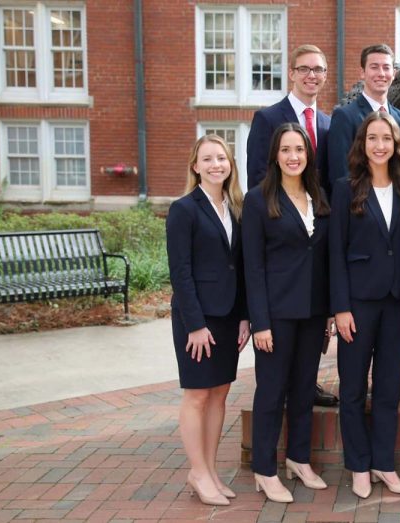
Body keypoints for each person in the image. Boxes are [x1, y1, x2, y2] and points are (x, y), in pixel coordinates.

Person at [329, 111, 400, 499]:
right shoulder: (346, 188)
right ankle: (359, 466)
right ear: (362, 145)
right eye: (372, 139)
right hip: (358, 304)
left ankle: (384, 464)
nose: (379, 145)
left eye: (386, 138)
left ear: (396, 144)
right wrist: (340, 308)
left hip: (396, 304)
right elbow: (335, 252)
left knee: (387, 389)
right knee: (352, 389)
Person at [245, 44, 338, 408]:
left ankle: (308, 383)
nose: (311, 75)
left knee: (305, 354)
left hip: (314, 235)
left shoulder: (330, 123)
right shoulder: (268, 118)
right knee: (275, 372)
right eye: (305, 69)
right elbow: (257, 177)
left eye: (318, 70)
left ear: (325, 76)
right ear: (293, 73)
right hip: (280, 233)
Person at [242, 124, 331, 503]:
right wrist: (259, 321)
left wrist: (327, 313)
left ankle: (298, 458)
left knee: (303, 388)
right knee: (272, 391)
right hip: (275, 315)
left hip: (312, 312)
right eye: (285, 150)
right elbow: (253, 267)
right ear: (275, 156)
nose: (293, 156)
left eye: (299, 149)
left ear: (308, 154)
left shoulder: (319, 196)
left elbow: (324, 259)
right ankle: (265, 469)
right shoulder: (258, 199)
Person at [166, 134, 250, 507]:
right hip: (197, 320)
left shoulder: (235, 207)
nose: (217, 164)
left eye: (222, 158)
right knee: (198, 395)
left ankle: (211, 471)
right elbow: (180, 272)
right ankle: (197, 472)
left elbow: (242, 267)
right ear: (195, 166)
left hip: (229, 316)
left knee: (220, 394)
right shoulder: (183, 209)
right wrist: (195, 324)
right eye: (208, 159)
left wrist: (245, 316)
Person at [328, 44, 400, 188]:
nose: (381, 73)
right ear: (362, 72)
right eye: (374, 67)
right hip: (359, 205)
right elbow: (340, 174)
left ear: (394, 74)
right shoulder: (345, 117)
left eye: (386, 67)